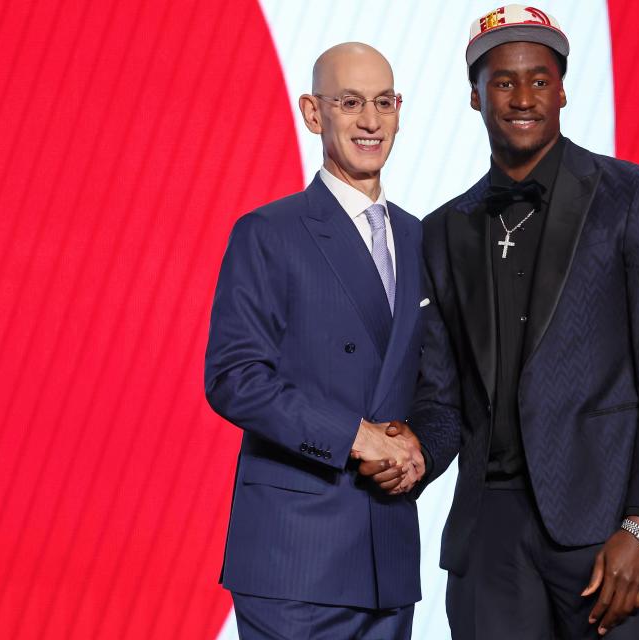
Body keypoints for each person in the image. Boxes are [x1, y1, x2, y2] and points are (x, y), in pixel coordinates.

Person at [410, 5, 639, 638]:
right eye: (503, 81)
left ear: (563, 89)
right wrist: (402, 460)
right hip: (489, 539)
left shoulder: (633, 196)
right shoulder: (441, 231)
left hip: (604, 532)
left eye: (539, 80)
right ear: (473, 94)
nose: (522, 97)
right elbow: (443, 396)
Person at [204, 42, 426, 640]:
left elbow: (441, 385)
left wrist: (422, 449)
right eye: (349, 102)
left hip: (389, 554)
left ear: (400, 110)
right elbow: (234, 378)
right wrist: (354, 437)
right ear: (311, 113)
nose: (370, 121)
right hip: (293, 559)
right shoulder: (267, 233)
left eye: (383, 102)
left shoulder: (421, 238)